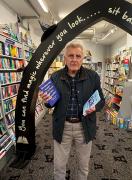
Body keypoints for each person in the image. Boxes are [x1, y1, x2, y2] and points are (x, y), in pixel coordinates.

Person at [39, 39, 105, 180]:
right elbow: (51, 104)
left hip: (85, 126)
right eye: (70, 55)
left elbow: (102, 101)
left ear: (83, 58)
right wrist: (46, 101)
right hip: (63, 127)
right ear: (65, 58)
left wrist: (94, 107)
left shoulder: (93, 77)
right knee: (59, 167)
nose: (74, 59)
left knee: (83, 166)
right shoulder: (55, 77)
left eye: (78, 56)